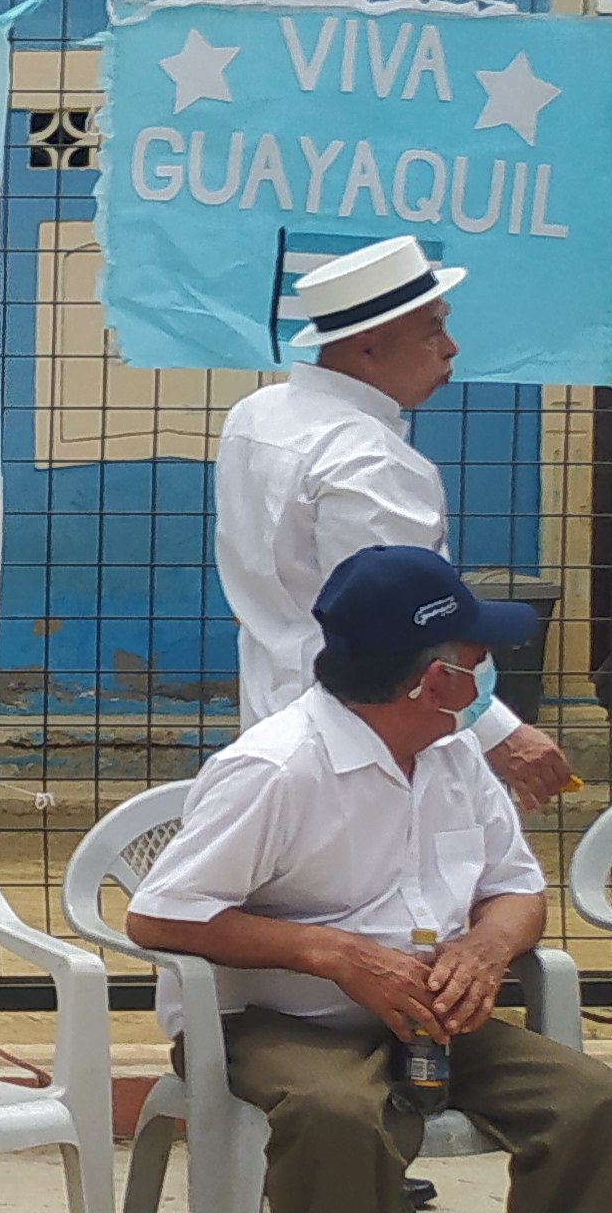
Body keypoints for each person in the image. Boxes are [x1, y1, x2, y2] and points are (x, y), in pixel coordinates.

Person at [126, 547, 612, 1213]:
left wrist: (487, 947)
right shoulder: (278, 767)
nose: (487, 677)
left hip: (432, 1013)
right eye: (477, 660)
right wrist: (332, 954)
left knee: (597, 1109)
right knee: (336, 1118)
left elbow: (517, 887)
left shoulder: (452, 757)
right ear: (434, 681)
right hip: (280, 1020)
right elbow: (161, 913)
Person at [216, 238, 569, 807]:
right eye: (433, 329)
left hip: (273, 724)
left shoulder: (257, 415)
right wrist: (501, 734)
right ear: (368, 347)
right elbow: (407, 629)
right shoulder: (370, 460)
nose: (451, 347)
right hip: (369, 743)